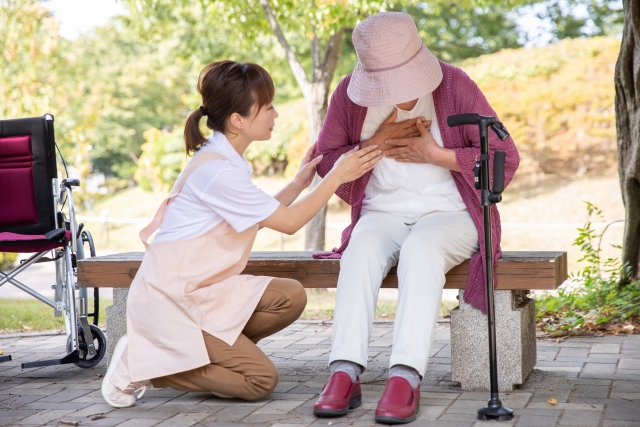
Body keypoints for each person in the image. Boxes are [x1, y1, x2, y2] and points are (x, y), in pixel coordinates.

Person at [100, 60, 384, 408]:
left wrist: (299, 182)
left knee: (290, 295)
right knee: (259, 380)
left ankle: (190, 354)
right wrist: (337, 176)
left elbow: (263, 216)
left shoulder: (223, 162)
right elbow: (290, 223)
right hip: (171, 302)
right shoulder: (218, 173)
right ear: (238, 119)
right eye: (267, 108)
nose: (275, 115)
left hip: (200, 292)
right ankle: (144, 363)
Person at [312, 12, 520, 424]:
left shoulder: (456, 85)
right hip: (381, 212)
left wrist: (437, 155)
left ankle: (405, 376)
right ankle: (344, 371)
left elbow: (504, 159)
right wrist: (375, 143)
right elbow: (326, 161)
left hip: (449, 214)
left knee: (420, 249)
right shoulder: (348, 96)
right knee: (360, 249)